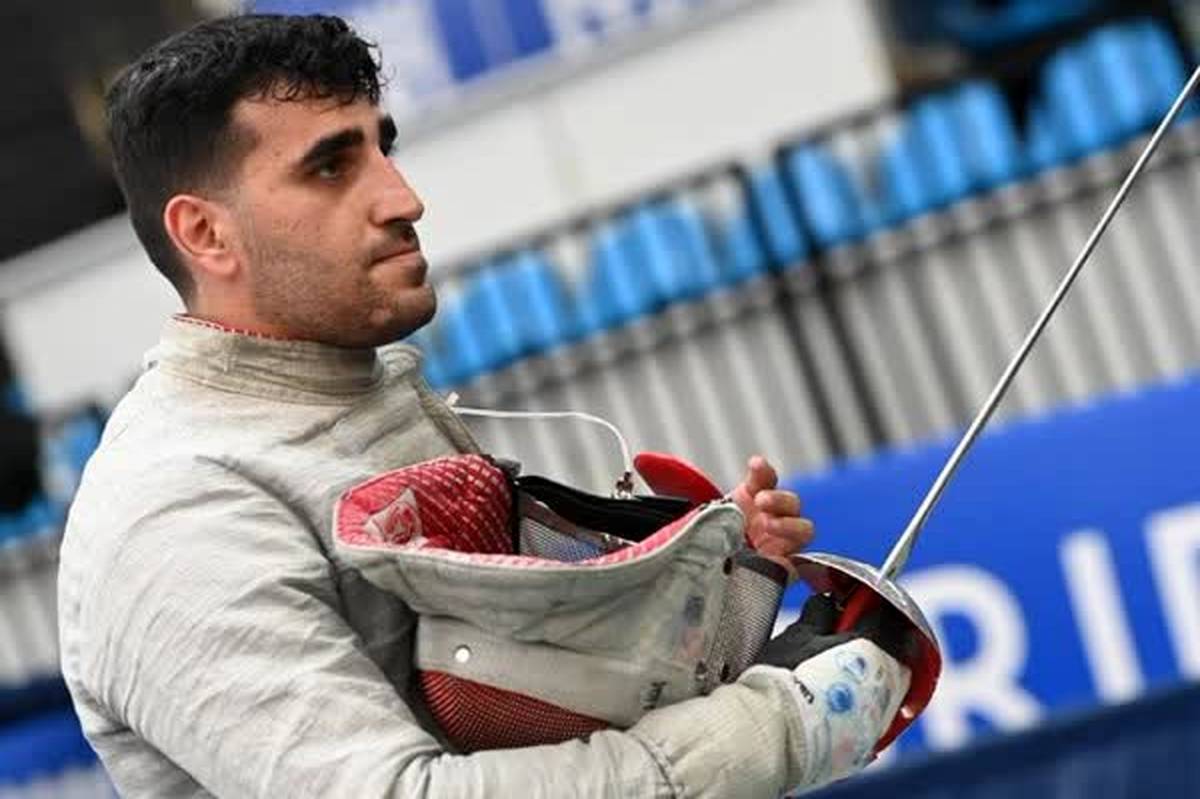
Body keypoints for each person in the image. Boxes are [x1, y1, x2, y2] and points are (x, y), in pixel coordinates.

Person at [58, 14, 910, 798]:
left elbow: (507, 702)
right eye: (330, 166)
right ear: (205, 234)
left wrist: (716, 603)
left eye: (383, 147)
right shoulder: (174, 513)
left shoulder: (356, 394)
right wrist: (768, 731)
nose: (402, 198)